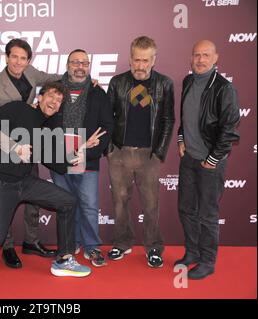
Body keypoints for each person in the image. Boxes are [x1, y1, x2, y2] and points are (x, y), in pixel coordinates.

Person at [0, 82, 103, 277]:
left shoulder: (47, 128)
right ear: (40, 97)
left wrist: (83, 149)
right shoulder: (19, 108)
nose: (54, 102)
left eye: (59, 101)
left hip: (24, 182)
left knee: (68, 202)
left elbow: (58, 163)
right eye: (51, 96)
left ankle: (63, 260)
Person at [0, 38, 61, 269]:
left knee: (34, 199)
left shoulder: (31, 73)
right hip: (5, 151)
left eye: (23, 58)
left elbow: (52, 78)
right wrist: (13, 147)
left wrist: (83, 80)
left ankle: (31, 241)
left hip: (29, 147)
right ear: (7, 57)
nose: (18, 62)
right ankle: (7, 247)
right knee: (7, 201)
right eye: (14, 57)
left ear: (28, 60)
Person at [106, 36, 175, 268]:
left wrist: (160, 152)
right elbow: (107, 117)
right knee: (118, 202)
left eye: (146, 60)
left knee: (151, 204)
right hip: (120, 153)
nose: (140, 65)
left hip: (149, 155)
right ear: (130, 58)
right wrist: (110, 149)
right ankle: (122, 242)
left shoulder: (164, 84)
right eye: (136, 60)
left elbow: (168, 119)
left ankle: (153, 247)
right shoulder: (117, 82)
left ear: (153, 60)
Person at [175, 40, 240, 280]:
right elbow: (184, 118)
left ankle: (207, 261)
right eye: (196, 55)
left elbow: (229, 132)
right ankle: (192, 253)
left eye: (205, 55)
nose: (200, 60)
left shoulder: (224, 89)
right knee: (185, 209)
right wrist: (181, 140)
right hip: (189, 159)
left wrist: (212, 160)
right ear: (191, 58)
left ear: (215, 58)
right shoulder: (188, 81)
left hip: (210, 163)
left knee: (207, 214)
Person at [47, 49, 113, 267]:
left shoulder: (98, 93)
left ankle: (92, 246)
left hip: (88, 159)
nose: (80, 66)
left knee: (89, 205)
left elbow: (107, 127)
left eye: (84, 63)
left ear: (89, 66)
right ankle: (70, 244)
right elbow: (43, 118)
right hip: (59, 160)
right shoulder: (54, 90)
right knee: (66, 204)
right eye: (75, 62)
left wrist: (88, 152)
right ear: (67, 65)